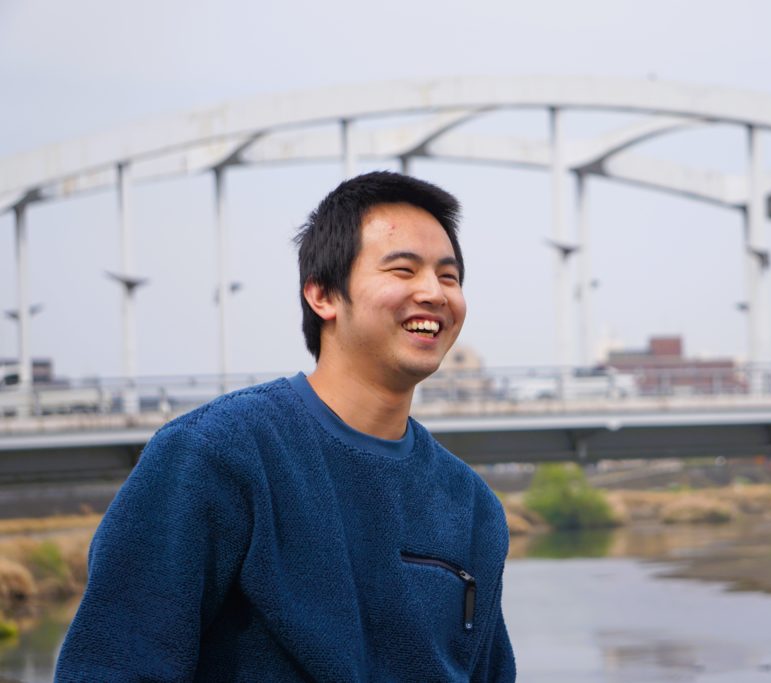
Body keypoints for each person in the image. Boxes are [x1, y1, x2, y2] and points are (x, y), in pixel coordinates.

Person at [56, 171, 516, 682]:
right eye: (403, 270)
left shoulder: (472, 505)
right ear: (322, 295)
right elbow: (112, 665)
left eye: (449, 277)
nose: (433, 292)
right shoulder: (213, 455)